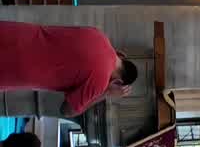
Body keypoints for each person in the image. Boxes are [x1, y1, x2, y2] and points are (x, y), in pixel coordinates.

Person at [0, 21, 138, 116]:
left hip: (18, 33)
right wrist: (106, 94)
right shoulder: (100, 82)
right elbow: (67, 110)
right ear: (118, 82)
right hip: (15, 68)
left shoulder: (99, 35)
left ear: (122, 56)